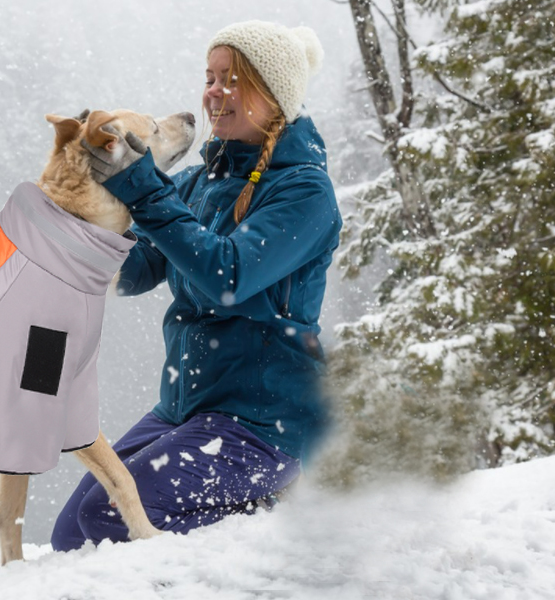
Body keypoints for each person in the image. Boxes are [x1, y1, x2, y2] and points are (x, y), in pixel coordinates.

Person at [50, 20, 341, 551]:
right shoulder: (202, 181)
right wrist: (82, 212)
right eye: (210, 77)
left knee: (111, 520)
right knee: (73, 535)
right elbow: (135, 271)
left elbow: (225, 278)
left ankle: (259, 520)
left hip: (264, 423)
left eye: (232, 79)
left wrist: (143, 189)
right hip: (187, 407)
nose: (214, 92)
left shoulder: (304, 190)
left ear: (273, 94)